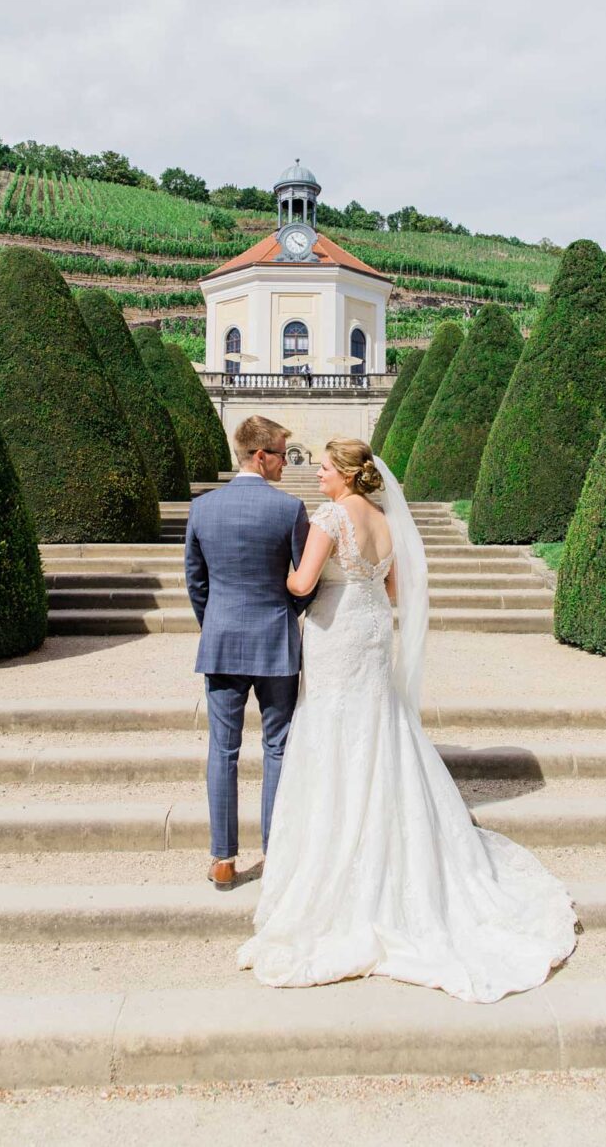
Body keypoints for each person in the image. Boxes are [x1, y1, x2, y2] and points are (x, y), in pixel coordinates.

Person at [237, 436, 578, 1003]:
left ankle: (336, 844)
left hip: (337, 632)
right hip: (373, 628)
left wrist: (271, 569)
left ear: (346, 474)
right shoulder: (385, 521)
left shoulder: (329, 517)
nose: (318, 475)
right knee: (377, 724)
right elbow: (396, 589)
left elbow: (301, 584)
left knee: (333, 728)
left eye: (324, 468)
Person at [184, 415, 315, 890]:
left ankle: (223, 858)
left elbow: (195, 580)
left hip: (221, 640)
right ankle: (275, 853)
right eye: (281, 454)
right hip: (275, 639)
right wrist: (285, 612)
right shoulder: (289, 509)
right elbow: (306, 581)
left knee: (222, 750)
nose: (285, 463)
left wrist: (216, 622)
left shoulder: (203, 508)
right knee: (277, 746)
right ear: (260, 456)